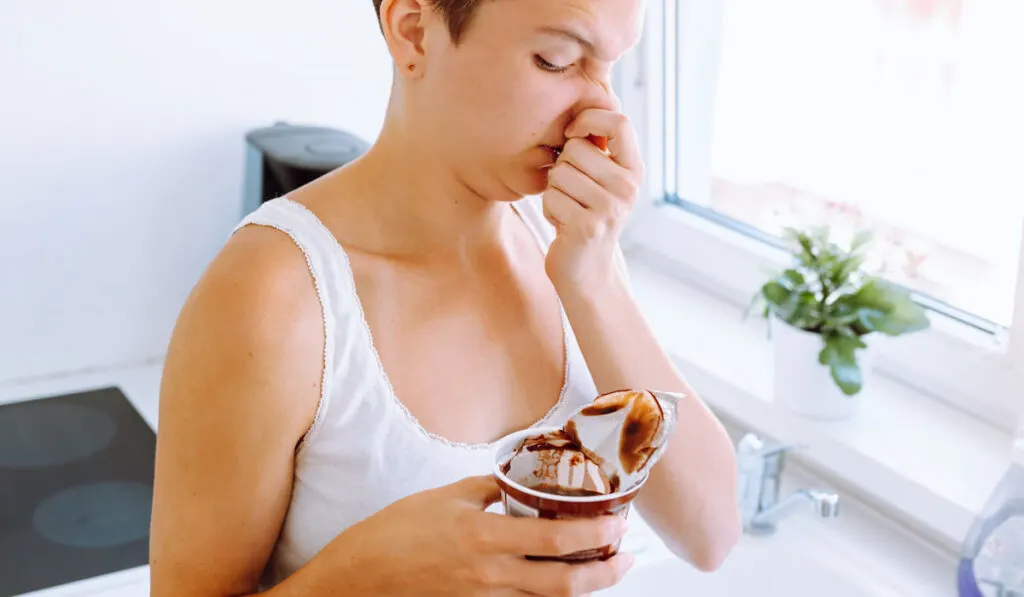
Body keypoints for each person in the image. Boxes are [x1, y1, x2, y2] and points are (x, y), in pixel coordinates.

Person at [149, 0, 741, 595]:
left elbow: (710, 536)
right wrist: (360, 578)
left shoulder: (569, 247)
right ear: (413, 32)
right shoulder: (273, 297)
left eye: (610, 65)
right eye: (555, 60)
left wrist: (593, 279)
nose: (602, 110)